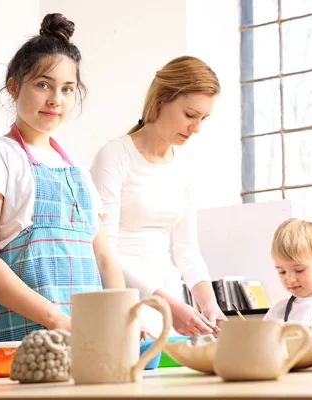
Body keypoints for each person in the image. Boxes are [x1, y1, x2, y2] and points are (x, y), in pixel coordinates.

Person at [0, 13, 125, 342]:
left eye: (67, 89)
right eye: (43, 85)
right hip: (21, 340)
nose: (55, 100)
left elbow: (105, 261)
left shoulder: (78, 172)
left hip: (86, 341)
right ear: (14, 86)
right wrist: (59, 321)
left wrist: (120, 319)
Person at [90, 56, 226, 336]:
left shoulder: (186, 167)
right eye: (190, 115)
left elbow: (186, 249)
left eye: (203, 118)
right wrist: (170, 307)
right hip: (126, 304)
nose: (196, 128)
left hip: (172, 308)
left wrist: (209, 303)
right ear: (162, 100)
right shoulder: (115, 156)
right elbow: (105, 254)